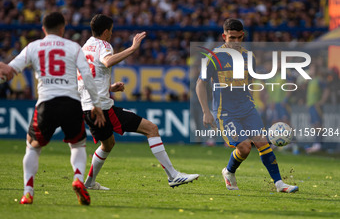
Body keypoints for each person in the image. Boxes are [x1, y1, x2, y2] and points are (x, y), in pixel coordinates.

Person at [78, 14, 199, 190]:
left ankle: (89, 182)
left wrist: (110, 87)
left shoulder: (84, 48)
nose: (111, 34)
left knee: (108, 144)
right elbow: (107, 61)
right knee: (151, 129)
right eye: (111, 31)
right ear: (105, 31)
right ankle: (173, 175)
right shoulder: (104, 45)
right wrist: (133, 48)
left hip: (87, 108)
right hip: (102, 108)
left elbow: (86, 77)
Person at [1, 12, 106, 205]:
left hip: (46, 103)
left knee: (32, 146)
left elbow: (9, 71)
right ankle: (77, 178)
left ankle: (28, 192)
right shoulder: (73, 47)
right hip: (72, 103)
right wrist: (97, 106)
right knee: (77, 145)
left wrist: (4, 71)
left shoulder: (33, 47)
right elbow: (87, 77)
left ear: (43, 29)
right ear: (62, 28)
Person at [196, 18, 298, 193]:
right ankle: (228, 172)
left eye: (239, 38)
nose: (235, 42)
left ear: (243, 36)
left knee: (262, 143)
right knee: (244, 148)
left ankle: (280, 184)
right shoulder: (212, 57)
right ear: (224, 37)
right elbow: (200, 84)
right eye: (231, 38)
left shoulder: (249, 57)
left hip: (247, 108)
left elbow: (249, 83)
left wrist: (256, 102)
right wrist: (206, 111)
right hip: (225, 111)